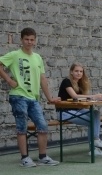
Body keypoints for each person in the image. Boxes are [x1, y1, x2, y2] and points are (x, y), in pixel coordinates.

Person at [0, 27, 60, 167]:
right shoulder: (14, 55)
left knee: (43, 125)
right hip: (18, 96)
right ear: (21, 40)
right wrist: (9, 80)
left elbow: (42, 79)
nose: (29, 42)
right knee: (22, 127)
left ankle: (43, 156)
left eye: (32, 39)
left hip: (33, 98)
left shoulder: (37, 57)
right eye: (26, 39)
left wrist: (50, 98)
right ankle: (25, 158)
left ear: (35, 40)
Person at [58, 63, 102, 157]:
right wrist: (94, 96)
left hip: (77, 110)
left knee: (96, 113)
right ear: (71, 72)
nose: (79, 73)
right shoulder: (66, 81)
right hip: (64, 112)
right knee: (91, 121)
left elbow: (84, 98)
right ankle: (94, 147)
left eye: (81, 71)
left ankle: (95, 141)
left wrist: (97, 98)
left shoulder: (80, 84)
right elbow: (75, 96)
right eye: (76, 71)